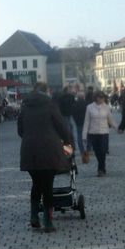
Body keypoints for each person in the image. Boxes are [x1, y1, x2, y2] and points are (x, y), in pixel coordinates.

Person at [18, 82, 74, 233]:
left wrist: (30, 137)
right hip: (49, 150)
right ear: (46, 92)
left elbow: (20, 130)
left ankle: (34, 216)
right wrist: (68, 141)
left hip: (30, 151)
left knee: (36, 183)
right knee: (47, 186)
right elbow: (62, 126)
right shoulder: (50, 106)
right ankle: (48, 222)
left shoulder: (25, 106)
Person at [82, 91, 116, 176]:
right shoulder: (89, 107)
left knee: (103, 151)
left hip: (104, 132)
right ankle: (102, 167)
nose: (102, 99)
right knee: (97, 152)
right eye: (100, 97)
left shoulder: (107, 107)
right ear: (96, 97)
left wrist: (117, 128)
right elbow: (86, 121)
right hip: (93, 133)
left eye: (103, 97)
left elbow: (110, 120)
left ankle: (100, 169)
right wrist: (84, 135)